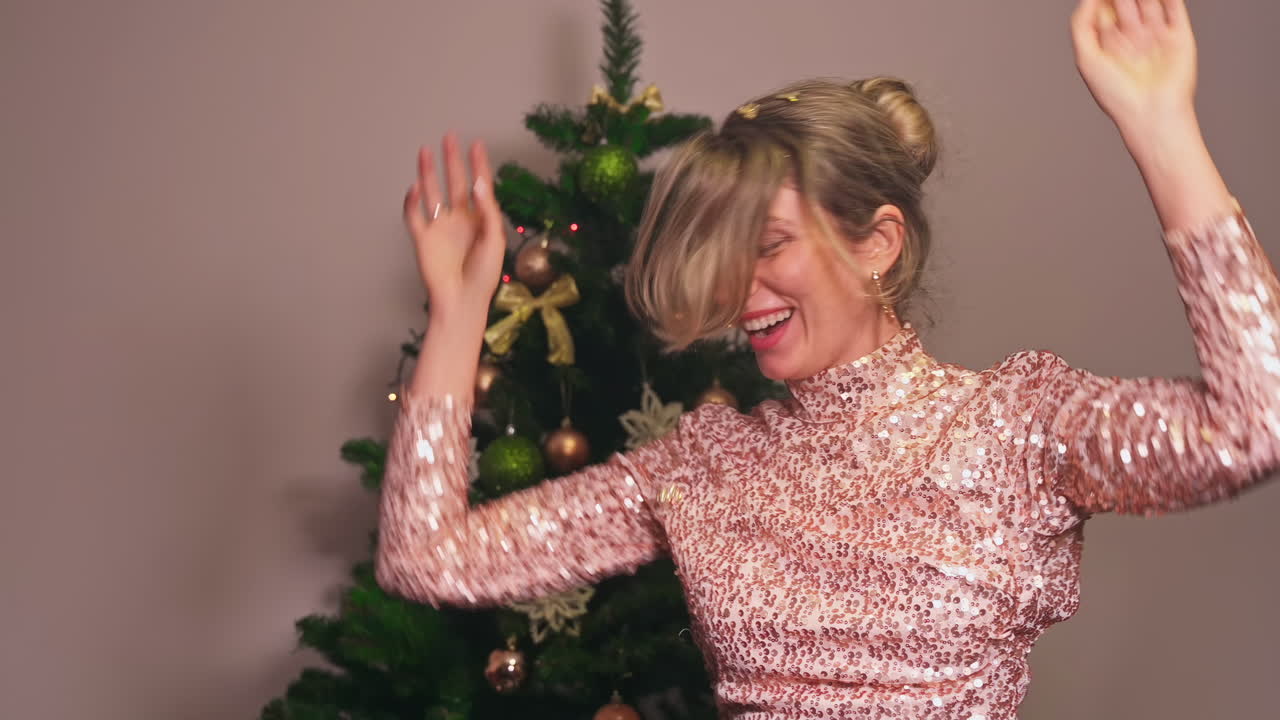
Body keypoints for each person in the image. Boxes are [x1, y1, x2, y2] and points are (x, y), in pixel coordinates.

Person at [375, 1, 1278, 717]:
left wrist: (1163, 131)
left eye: (768, 245)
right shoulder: (706, 464)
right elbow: (427, 560)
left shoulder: (1017, 425)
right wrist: (460, 314)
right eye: (724, 258)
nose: (741, 290)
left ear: (878, 243)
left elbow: (1256, 423)